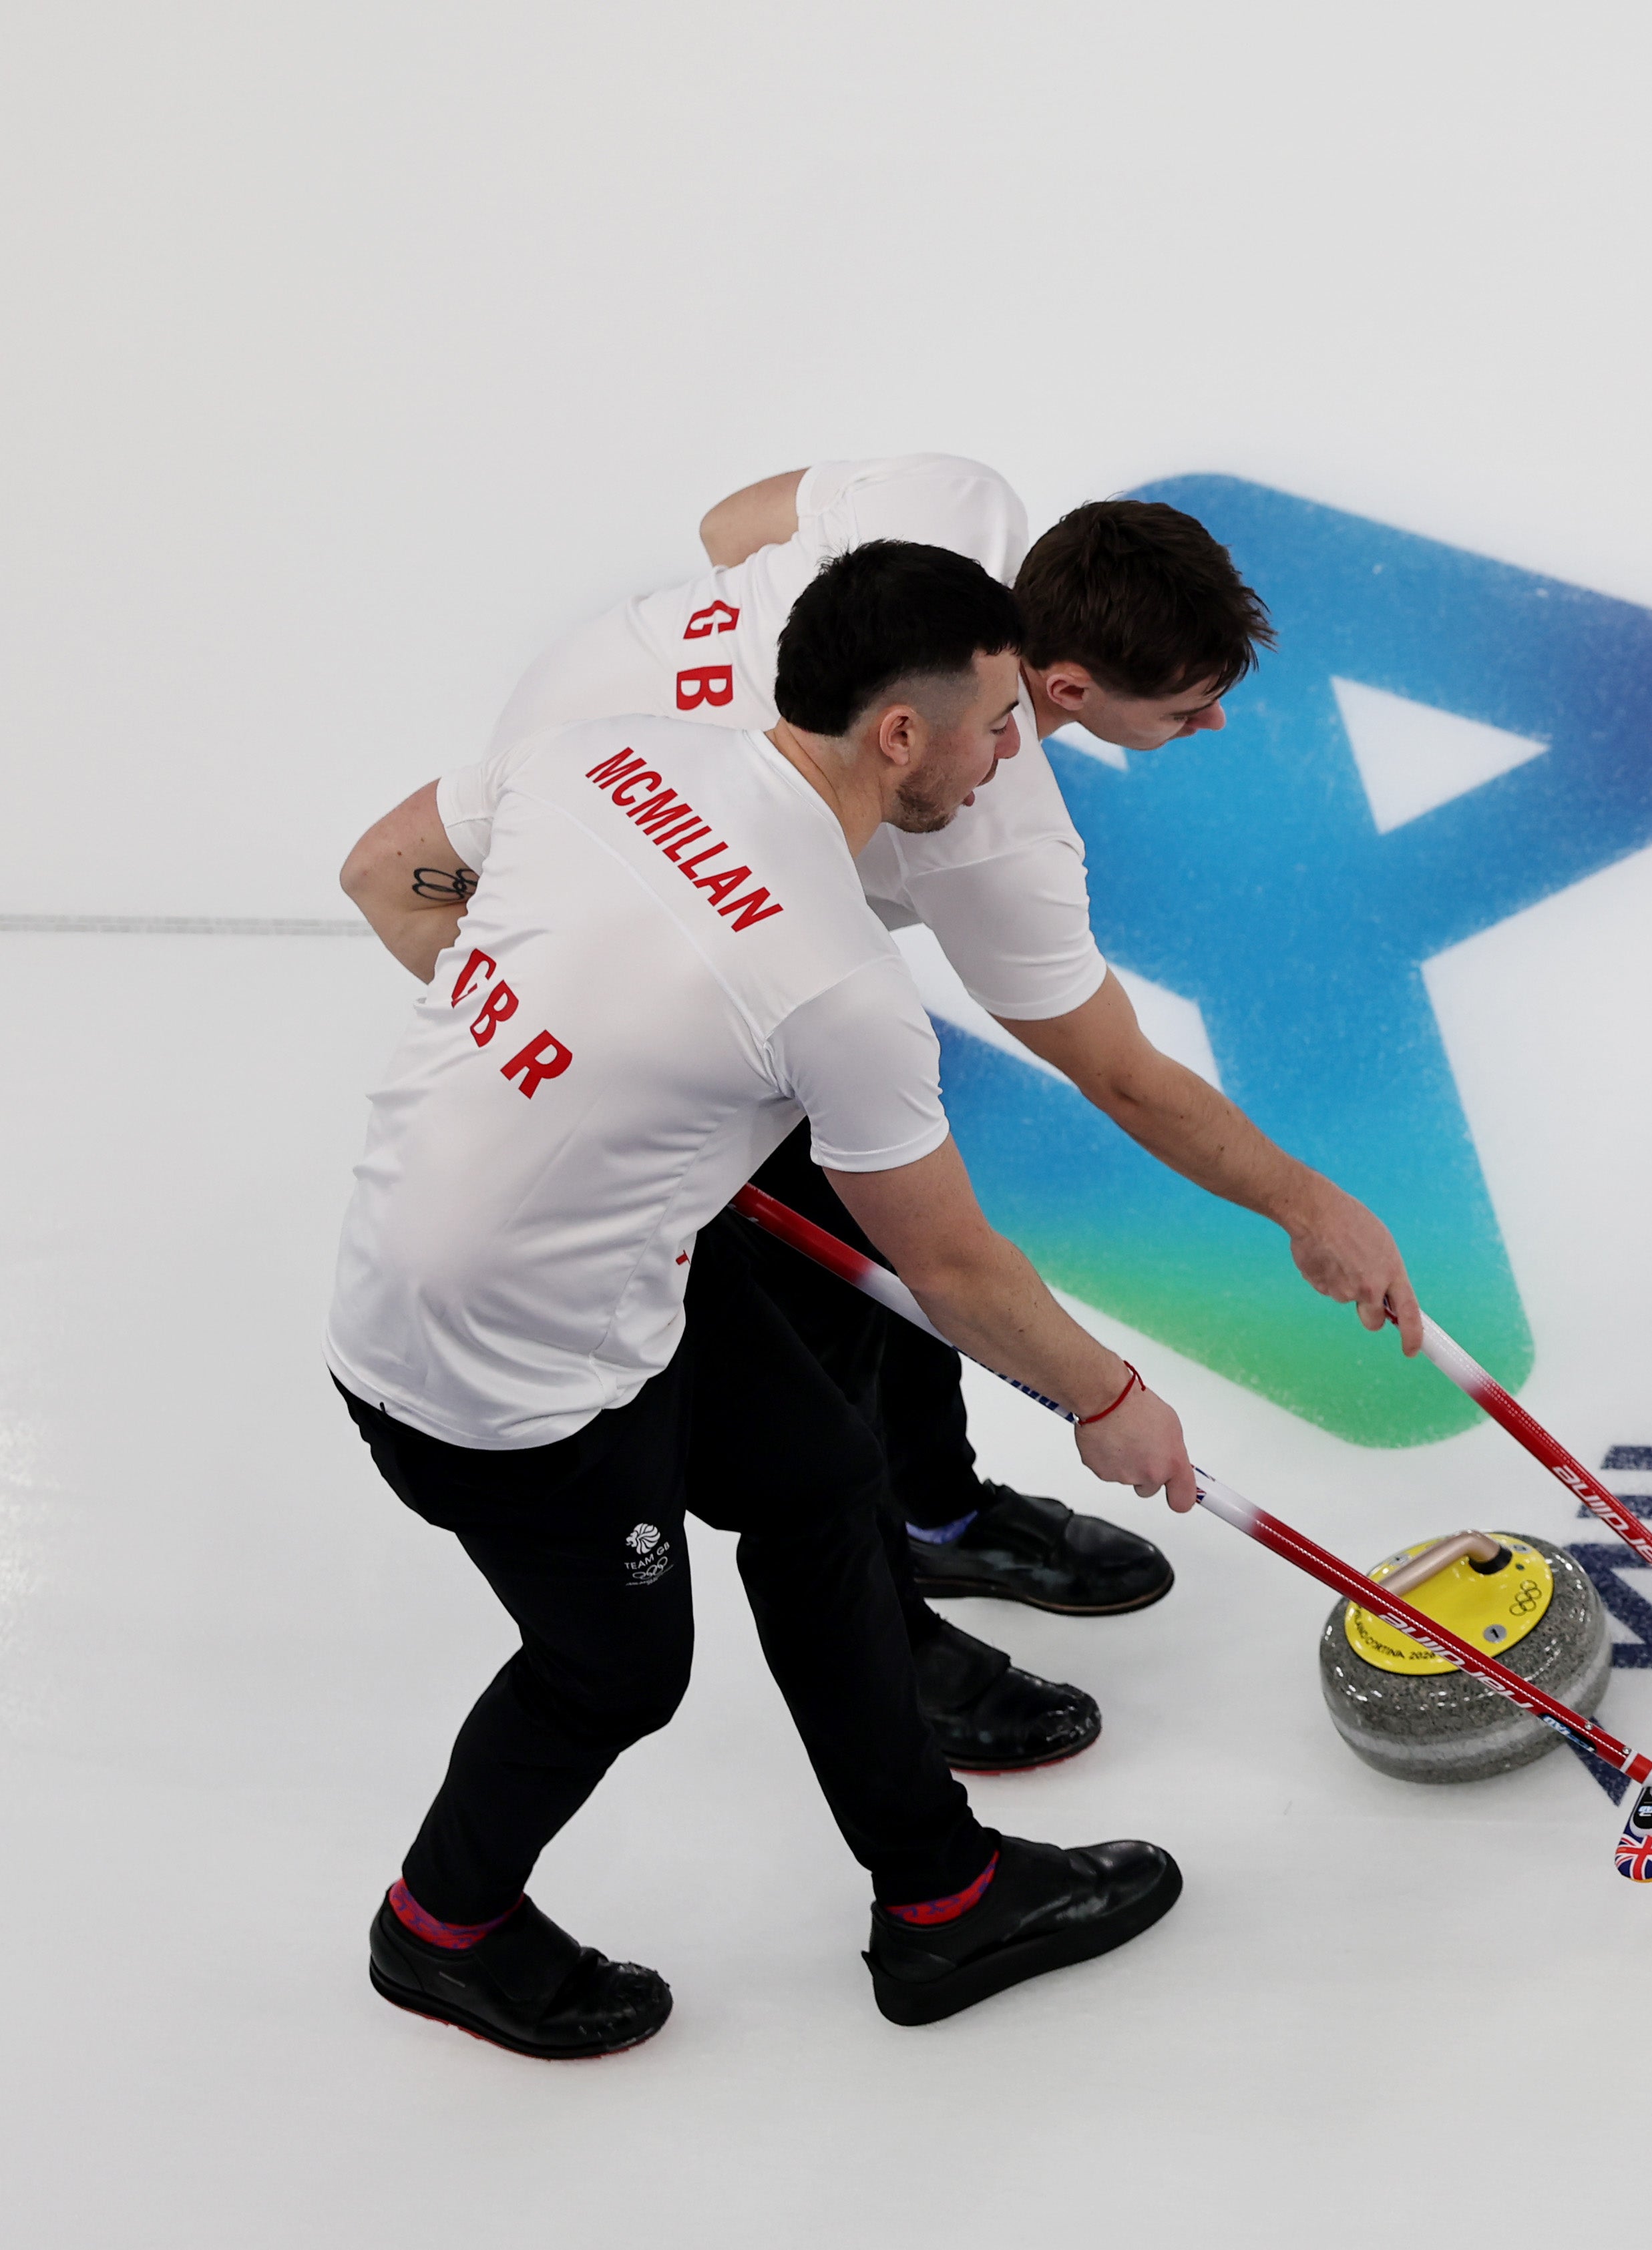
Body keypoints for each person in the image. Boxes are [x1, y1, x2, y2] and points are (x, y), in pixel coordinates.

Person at [332, 542, 1193, 2052]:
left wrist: (586, 1085)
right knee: (612, 1674)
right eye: (999, 722)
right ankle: (440, 1924)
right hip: (498, 1379)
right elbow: (954, 1270)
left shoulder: (613, 753)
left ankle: (939, 1899)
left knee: (819, 1482)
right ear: (901, 736)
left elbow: (386, 866)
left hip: (588, 1258)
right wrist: (1111, 1401)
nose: (1016, 756)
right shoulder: (830, 982)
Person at [486, 456, 1423, 1773]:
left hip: (598, 752)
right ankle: (900, 1639)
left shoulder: (952, 506)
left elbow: (729, 525)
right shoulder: (989, 834)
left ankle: (941, 1508)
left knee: (902, 1199)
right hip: (619, 937)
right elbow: (1124, 1076)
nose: (1213, 728)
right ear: (1070, 692)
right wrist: (1308, 1207)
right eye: (1196, 708)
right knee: (833, 1329)